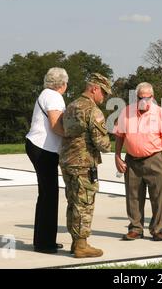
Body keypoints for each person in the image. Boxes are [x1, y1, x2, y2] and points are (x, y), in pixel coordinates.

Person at [59, 73, 112, 258]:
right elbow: (102, 144)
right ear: (94, 88)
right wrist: (109, 141)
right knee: (85, 204)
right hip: (84, 164)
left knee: (73, 202)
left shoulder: (71, 106)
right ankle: (81, 245)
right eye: (103, 93)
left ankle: (75, 242)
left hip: (67, 162)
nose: (104, 98)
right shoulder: (92, 110)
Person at [114, 82, 162, 241]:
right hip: (132, 160)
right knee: (133, 197)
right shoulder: (126, 112)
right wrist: (117, 156)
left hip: (154, 158)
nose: (144, 100)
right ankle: (135, 228)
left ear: (152, 97)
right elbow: (119, 136)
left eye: (147, 97)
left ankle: (157, 229)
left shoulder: (161, 113)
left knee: (158, 197)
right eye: (141, 97)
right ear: (136, 96)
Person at [25, 67, 68, 254]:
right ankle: (44, 243)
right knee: (49, 195)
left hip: (39, 146)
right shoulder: (54, 97)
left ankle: (44, 239)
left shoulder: (45, 94)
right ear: (62, 83)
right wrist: (73, 136)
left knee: (46, 195)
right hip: (44, 149)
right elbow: (56, 125)